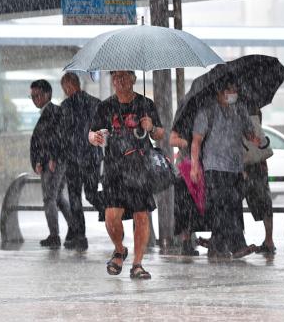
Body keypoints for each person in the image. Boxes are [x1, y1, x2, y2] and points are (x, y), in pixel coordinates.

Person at [88, 70, 164, 279]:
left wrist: (152, 128)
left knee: (141, 216)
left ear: (133, 79)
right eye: (115, 77)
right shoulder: (105, 106)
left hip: (140, 168)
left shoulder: (146, 105)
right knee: (111, 217)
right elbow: (92, 132)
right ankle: (120, 249)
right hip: (114, 169)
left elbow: (160, 134)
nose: (119, 81)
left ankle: (137, 264)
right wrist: (93, 137)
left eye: (123, 76)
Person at [190, 74, 260, 259]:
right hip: (215, 167)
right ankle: (238, 246)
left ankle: (216, 245)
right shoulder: (207, 112)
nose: (233, 93)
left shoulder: (240, 110)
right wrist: (195, 166)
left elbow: (248, 133)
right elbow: (196, 141)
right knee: (225, 204)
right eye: (229, 90)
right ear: (220, 92)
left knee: (231, 206)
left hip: (235, 167)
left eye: (235, 90)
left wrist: (257, 139)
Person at [59, 72, 101, 251]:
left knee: (75, 198)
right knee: (91, 193)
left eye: (64, 88)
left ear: (69, 86)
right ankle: (109, 211)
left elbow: (62, 136)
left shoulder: (66, 106)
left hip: (74, 160)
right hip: (92, 158)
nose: (65, 91)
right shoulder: (96, 103)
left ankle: (81, 236)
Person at [29, 79, 72, 249]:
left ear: (47, 94)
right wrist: (38, 160)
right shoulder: (50, 112)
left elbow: (57, 137)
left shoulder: (53, 112)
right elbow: (45, 140)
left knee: (49, 198)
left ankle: (54, 235)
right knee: (58, 198)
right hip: (51, 160)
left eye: (37, 95)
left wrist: (53, 157)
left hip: (53, 162)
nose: (34, 99)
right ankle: (75, 228)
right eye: (32, 96)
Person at [241, 106, 276, 254]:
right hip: (250, 163)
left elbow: (258, 137)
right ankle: (267, 240)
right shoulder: (252, 109)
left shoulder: (241, 110)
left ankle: (268, 240)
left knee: (263, 202)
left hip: (250, 163)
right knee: (264, 202)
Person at [169, 128, 206, 256]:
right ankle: (186, 242)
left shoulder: (204, 117)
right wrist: (191, 143)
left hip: (202, 167)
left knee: (196, 207)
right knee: (185, 207)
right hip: (184, 170)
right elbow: (172, 140)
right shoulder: (183, 119)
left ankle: (190, 241)